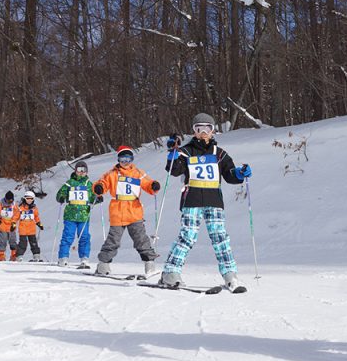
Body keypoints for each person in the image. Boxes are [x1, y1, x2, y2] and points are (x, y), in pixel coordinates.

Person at [158, 113, 252, 292]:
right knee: (188, 236)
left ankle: (230, 275)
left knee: (220, 237)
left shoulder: (219, 154)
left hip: (214, 200)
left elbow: (230, 174)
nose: (203, 133)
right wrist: (172, 153)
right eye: (198, 129)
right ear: (193, 131)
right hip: (192, 199)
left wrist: (240, 173)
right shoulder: (186, 151)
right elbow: (175, 170)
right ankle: (170, 272)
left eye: (207, 129)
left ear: (213, 130)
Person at [92, 146, 159, 277]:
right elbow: (102, 182)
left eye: (128, 159)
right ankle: (103, 265)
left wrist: (153, 185)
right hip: (117, 211)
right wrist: (99, 188)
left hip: (134, 211)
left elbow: (147, 183)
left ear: (132, 159)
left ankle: (150, 264)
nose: (125, 162)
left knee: (141, 239)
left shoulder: (138, 173)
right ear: (118, 160)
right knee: (113, 240)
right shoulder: (112, 174)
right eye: (122, 159)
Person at [55, 163, 101, 268]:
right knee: (68, 236)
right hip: (70, 215)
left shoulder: (89, 184)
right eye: (79, 169)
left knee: (84, 237)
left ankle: (84, 258)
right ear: (75, 170)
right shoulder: (69, 183)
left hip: (84, 216)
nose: (81, 172)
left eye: (83, 170)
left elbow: (93, 197)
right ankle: (63, 257)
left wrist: (98, 198)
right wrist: (61, 197)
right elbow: (59, 195)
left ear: (87, 171)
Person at [12, 191, 44, 262]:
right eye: (27, 198)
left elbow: (36, 217)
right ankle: (19, 256)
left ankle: (36, 256)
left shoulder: (34, 208)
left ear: (33, 199)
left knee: (34, 243)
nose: (29, 200)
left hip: (31, 229)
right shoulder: (20, 208)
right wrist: (13, 224)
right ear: (24, 199)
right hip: (23, 229)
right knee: (23, 244)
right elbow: (15, 217)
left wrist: (39, 223)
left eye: (31, 199)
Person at [0, 190, 19, 261]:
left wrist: (14, 222)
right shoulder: (0, 205)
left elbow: (17, 214)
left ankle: (14, 255)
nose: (10, 202)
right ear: (6, 199)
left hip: (11, 226)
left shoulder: (14, 206)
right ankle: (1, 255)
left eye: (11, 200)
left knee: (13, 241)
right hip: (2, 225)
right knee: (3, 241)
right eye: (9, 200)